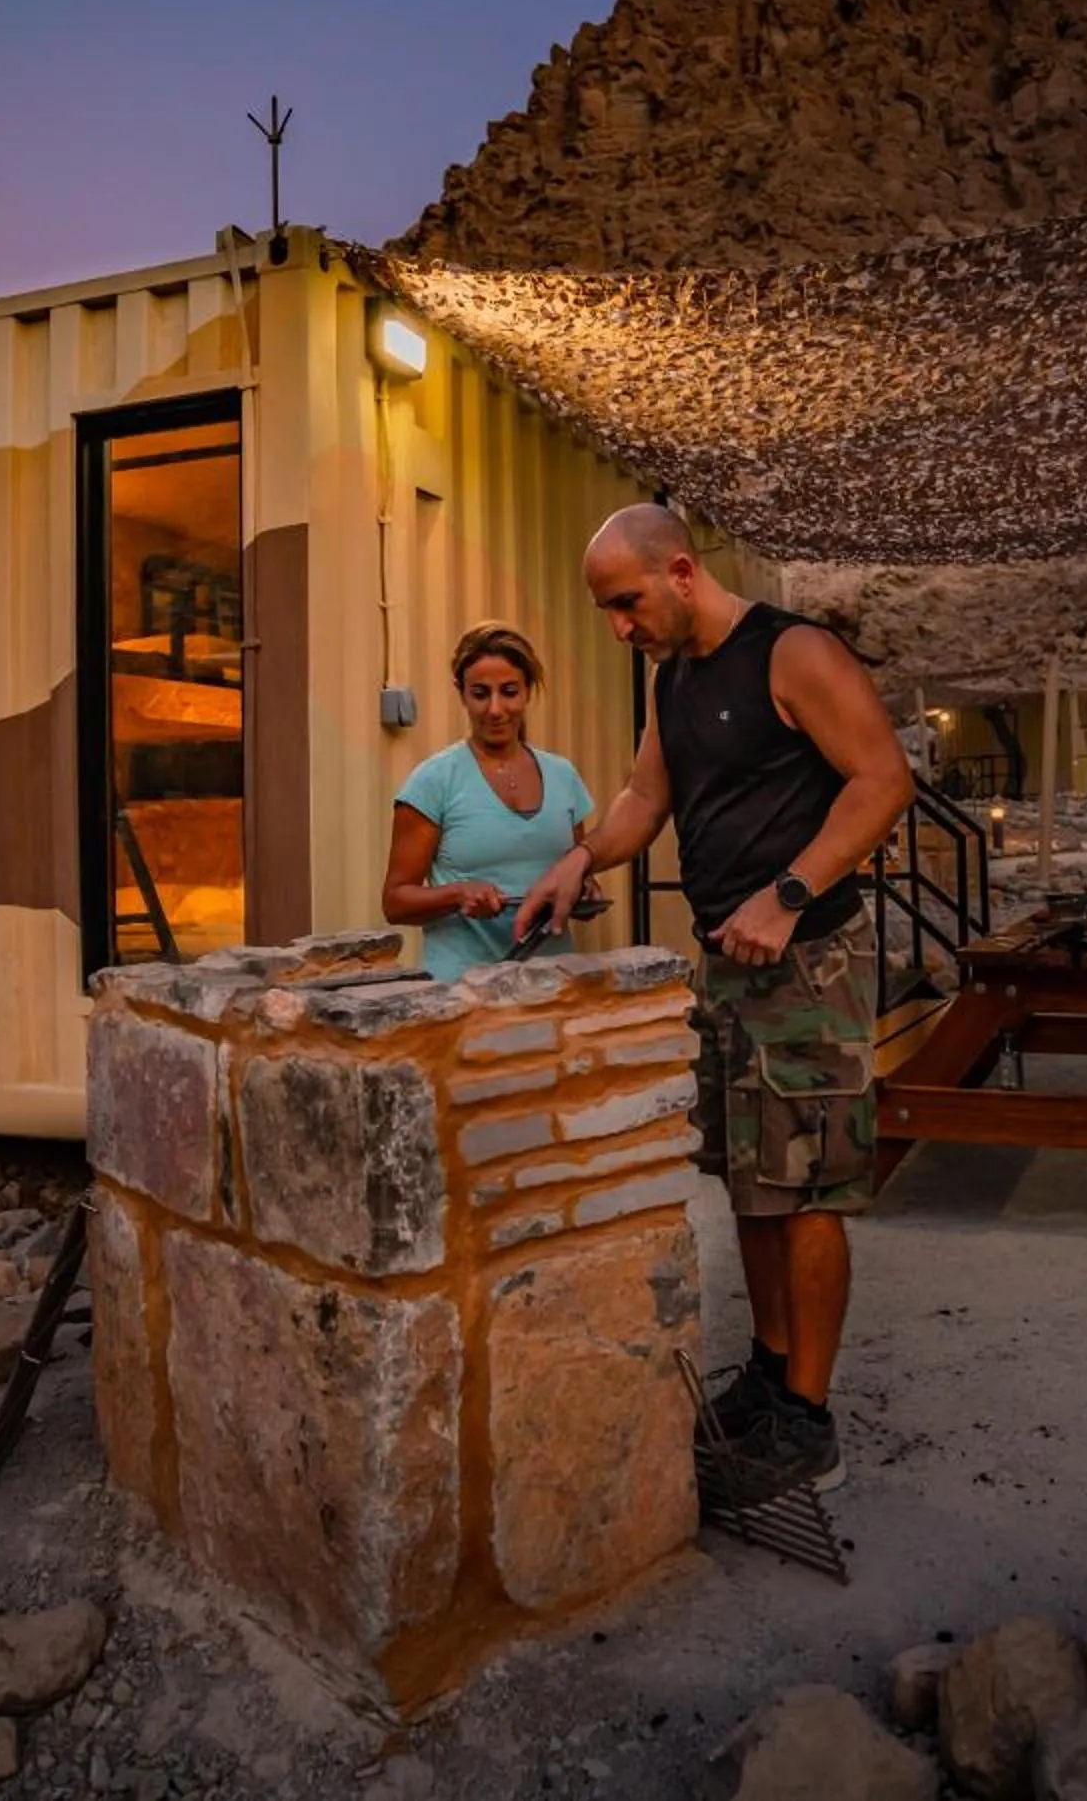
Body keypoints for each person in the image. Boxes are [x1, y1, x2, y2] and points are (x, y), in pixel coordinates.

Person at [515, 506, 913, 1499]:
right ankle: (772, 1377)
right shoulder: (675, 680)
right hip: (730, 963)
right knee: (751, 1177)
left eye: (626, 603)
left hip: (811, 956)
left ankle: (810, 1422)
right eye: (607, 610)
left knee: (811, 1188)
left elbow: (882, 780)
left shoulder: (793, 653)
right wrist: (580, 856)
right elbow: (646, 798)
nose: (619, 627)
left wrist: (788, 894)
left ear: (682, 572)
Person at [382, 622, 597, 981]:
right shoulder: (434, 781)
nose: (495, 709)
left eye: (509, 692)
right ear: (461, 693)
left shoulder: (564, 777)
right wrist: (457, 895)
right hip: (463, 992)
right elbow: (395, 902)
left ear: (528, 690)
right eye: (480, 694)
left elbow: (578, 871)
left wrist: (585, 892)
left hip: (552, 989)